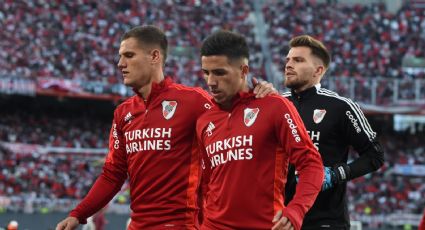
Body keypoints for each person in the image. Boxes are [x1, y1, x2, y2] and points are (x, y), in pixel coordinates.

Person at [56, 25, 275, 230]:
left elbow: (239, 121)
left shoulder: (193, 101)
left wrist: (261, 96)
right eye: (120, 56)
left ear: (154, 57)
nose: (120, 63)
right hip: (138, 225)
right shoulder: (123, 113)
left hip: (182, 224)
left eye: (129, 56)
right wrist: (79, 214)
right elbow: (113, 174)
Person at [196, 30, 324, 230]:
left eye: (220, 72)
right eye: (206, 72)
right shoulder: (204, 121)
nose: (211, 81)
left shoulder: (274, 106)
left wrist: (296, 210)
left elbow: (311, 164)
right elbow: (206, 183)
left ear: (243, 70)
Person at [282, 35, 385, 230]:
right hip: (280, 218)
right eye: (288, 59)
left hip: (326, 221)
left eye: (298, 60)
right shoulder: (277, 104)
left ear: (318, 70)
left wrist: (335, 174)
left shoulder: (341, 107)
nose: (288, 64)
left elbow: (375, 155)